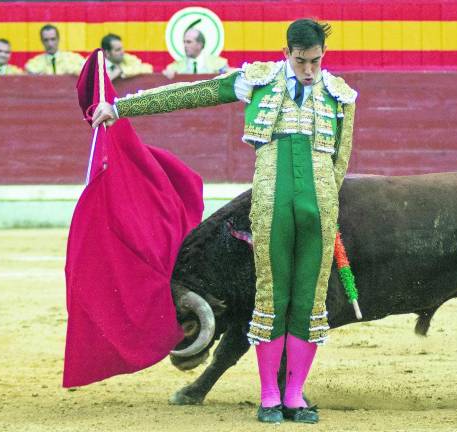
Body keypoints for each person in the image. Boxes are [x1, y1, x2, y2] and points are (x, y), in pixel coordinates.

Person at [91, 18, 356, 425]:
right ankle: (270, 397)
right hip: (271, 204)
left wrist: (326, 209)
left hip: (318, 208)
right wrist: (121, 107)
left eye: (315, 62)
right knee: (271, 299)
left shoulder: (340, 95)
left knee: (308, 302)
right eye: (301, 61)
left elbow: (340, 164)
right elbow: (192, 94)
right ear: (286, 53)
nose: (308, 70)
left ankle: (295, 396)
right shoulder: (257, 79)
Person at [163, 28, 229, 79]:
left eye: (189, 42)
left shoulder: (219, 64)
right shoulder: (174, 66)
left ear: (199, 44)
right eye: (184, 42)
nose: (185, 45)